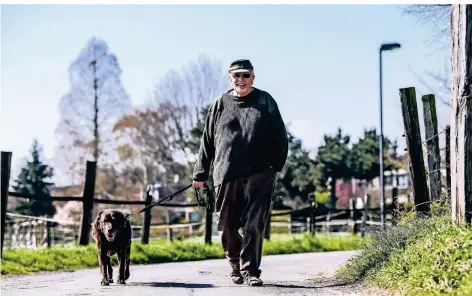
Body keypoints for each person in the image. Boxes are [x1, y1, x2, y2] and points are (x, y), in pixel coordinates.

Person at [192, 59, 288, 287]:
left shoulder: (265, 102)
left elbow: (280, 136)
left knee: (254, 224)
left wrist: (275, 167)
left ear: (253, 77)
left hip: (260, 175)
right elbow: (207, 140)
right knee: (227, 224)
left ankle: (251, 271)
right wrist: (200, 174)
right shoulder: (220, 104)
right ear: (230, 78)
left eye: (245, 75)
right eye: (237, 76)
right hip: (225, 174)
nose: (241, 80)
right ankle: (234, 264)